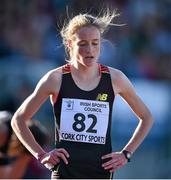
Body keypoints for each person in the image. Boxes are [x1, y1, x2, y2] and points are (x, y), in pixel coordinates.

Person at [11, 9, 153, 179]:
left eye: (95, 43)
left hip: (100, 173)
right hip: (65, 173)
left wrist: (126, 153)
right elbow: (18, 119)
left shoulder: (115, 79)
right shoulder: (55, 79)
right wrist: (41, 155)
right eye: (83, 43)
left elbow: (146, 117)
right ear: (70, 44)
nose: (90, 50)